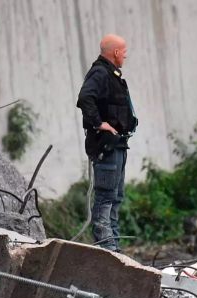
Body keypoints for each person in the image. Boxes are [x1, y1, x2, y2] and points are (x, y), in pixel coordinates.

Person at [76, 34, 138, 252]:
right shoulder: (100, 73)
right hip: (106, 147)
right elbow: (85, 98)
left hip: (118, 145)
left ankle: (115, 250)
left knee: (115, 198)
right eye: (125, 51)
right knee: (105, 199)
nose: (126, 55)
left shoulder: (111, 74)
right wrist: (99, 123)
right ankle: (107, 250)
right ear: (116, 52)